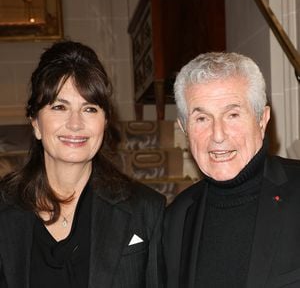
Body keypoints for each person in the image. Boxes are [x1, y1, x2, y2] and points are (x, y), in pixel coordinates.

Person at [0, 40, 165, 288]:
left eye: (89, 109)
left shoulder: (146, 209)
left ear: (105, 121)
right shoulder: (4, 207)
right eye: (59, 107)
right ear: (35, 122)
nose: (75, 124)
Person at [164, 52, 300, 288]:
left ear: (262, 119)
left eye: (233, 115)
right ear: (184, 128)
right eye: (202, 119)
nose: (218, 135)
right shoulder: (176, 216)